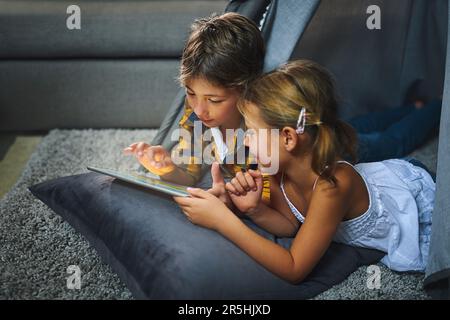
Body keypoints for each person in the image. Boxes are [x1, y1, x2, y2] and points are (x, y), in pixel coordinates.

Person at [173, 60, 435, 283]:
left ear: (288, 138)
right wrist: (254, 210)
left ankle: (436, 107)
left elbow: (295, 268)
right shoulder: (277, 171)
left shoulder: (332, 186)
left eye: (252, 132)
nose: (246, 141)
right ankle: (414, 107)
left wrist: (222, 220)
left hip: (412, 191)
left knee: (395, 139)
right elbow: (290, 226)